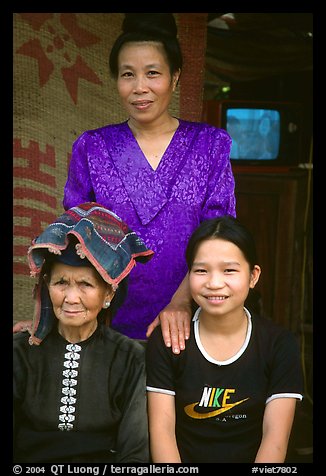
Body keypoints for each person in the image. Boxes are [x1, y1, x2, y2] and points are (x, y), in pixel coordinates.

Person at [41, 12, 235, 353]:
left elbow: (219, 237)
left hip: (191, 324)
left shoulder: (210, 145)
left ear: (175, 77)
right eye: (128, 74)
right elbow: (73, 243)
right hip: (105, 327)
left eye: (153, 73)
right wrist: (45, 316)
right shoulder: (93, 147)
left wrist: (181, 302)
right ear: (116, 79)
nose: (139, 87)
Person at [146, 215, 304, 463]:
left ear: (253, 276)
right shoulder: (167, 340)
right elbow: (162, 431)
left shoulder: (279, 345)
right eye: (201, 270)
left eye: (229, 270)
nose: (214, 283)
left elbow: (275, 439)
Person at [13, 202, 153, 463]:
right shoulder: (21, 351)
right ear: (47, 285)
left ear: (109, 292)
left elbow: (135, 453)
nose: (71, 298)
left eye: (85, 284)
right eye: (61, 283)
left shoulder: (130, 358)